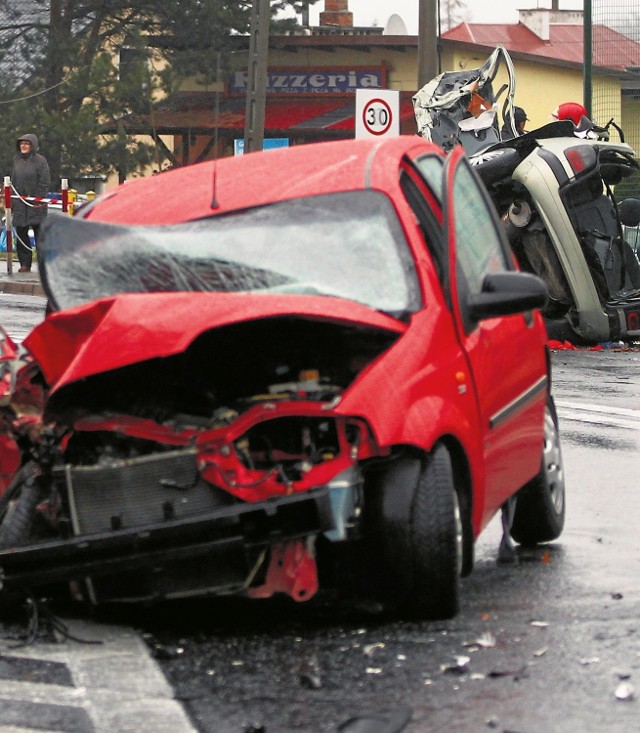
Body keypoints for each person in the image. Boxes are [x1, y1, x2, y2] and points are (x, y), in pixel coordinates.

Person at [11, 133, 51, 272]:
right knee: (21, 234)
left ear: (32, 145)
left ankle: (43, 265)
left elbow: (44, 181)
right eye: (21, 143)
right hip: (20, 204)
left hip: (36, 204)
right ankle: (25, 264)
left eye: (27, 143)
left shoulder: (41, 161)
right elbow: (13, 181)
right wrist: (12, 199)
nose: (23, 146)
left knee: (40, 235)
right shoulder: (16, 160)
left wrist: (37, 199)